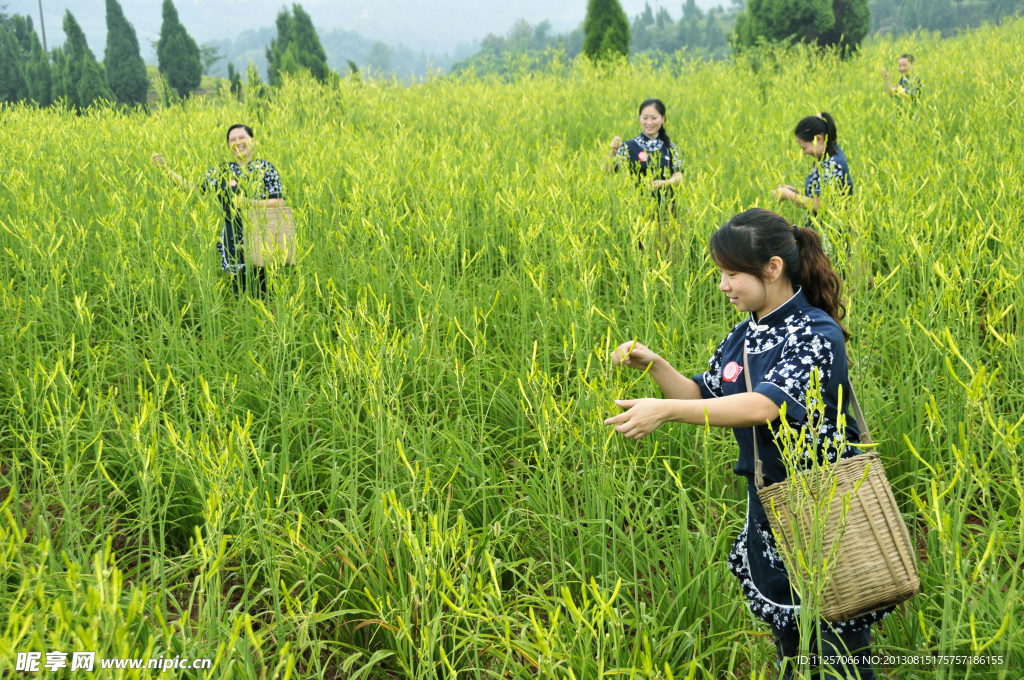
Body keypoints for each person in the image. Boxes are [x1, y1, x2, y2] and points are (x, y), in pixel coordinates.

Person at [603, 208, 888, 679]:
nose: (723, 286)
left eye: (732, 274)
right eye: (721, 274)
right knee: (792, 640)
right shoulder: (743, 334)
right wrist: (657, 366)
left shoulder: (816, 332)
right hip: (769, 502)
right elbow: (704, 394)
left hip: (822, 504)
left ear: (772, 268)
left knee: (838, 643)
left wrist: (667, 411)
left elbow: (763, 406)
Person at [151, 124, 285, 299]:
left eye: (242, 137)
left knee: (268, 294)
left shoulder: (266, 168)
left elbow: (279, 202)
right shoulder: (222, 171)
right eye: (232, 140)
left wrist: (250, 203)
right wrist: (166, 170)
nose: (237, 142)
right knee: (241, 296)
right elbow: (194, 188)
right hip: (234, 240)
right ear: (228, 146)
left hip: (264, 238)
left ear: (253, 141)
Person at [604, 98, 684, 246]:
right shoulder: (629, 147)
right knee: (642, 254)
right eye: (645, 118)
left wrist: (664, 183)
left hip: (667, 212)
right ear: (639, 118)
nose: (649, 122)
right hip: (638, 212)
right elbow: (608, 171)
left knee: (666, 255)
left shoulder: (670, 147)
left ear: (663, 119)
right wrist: (612, 152)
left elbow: (679, 176)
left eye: (654, 118)